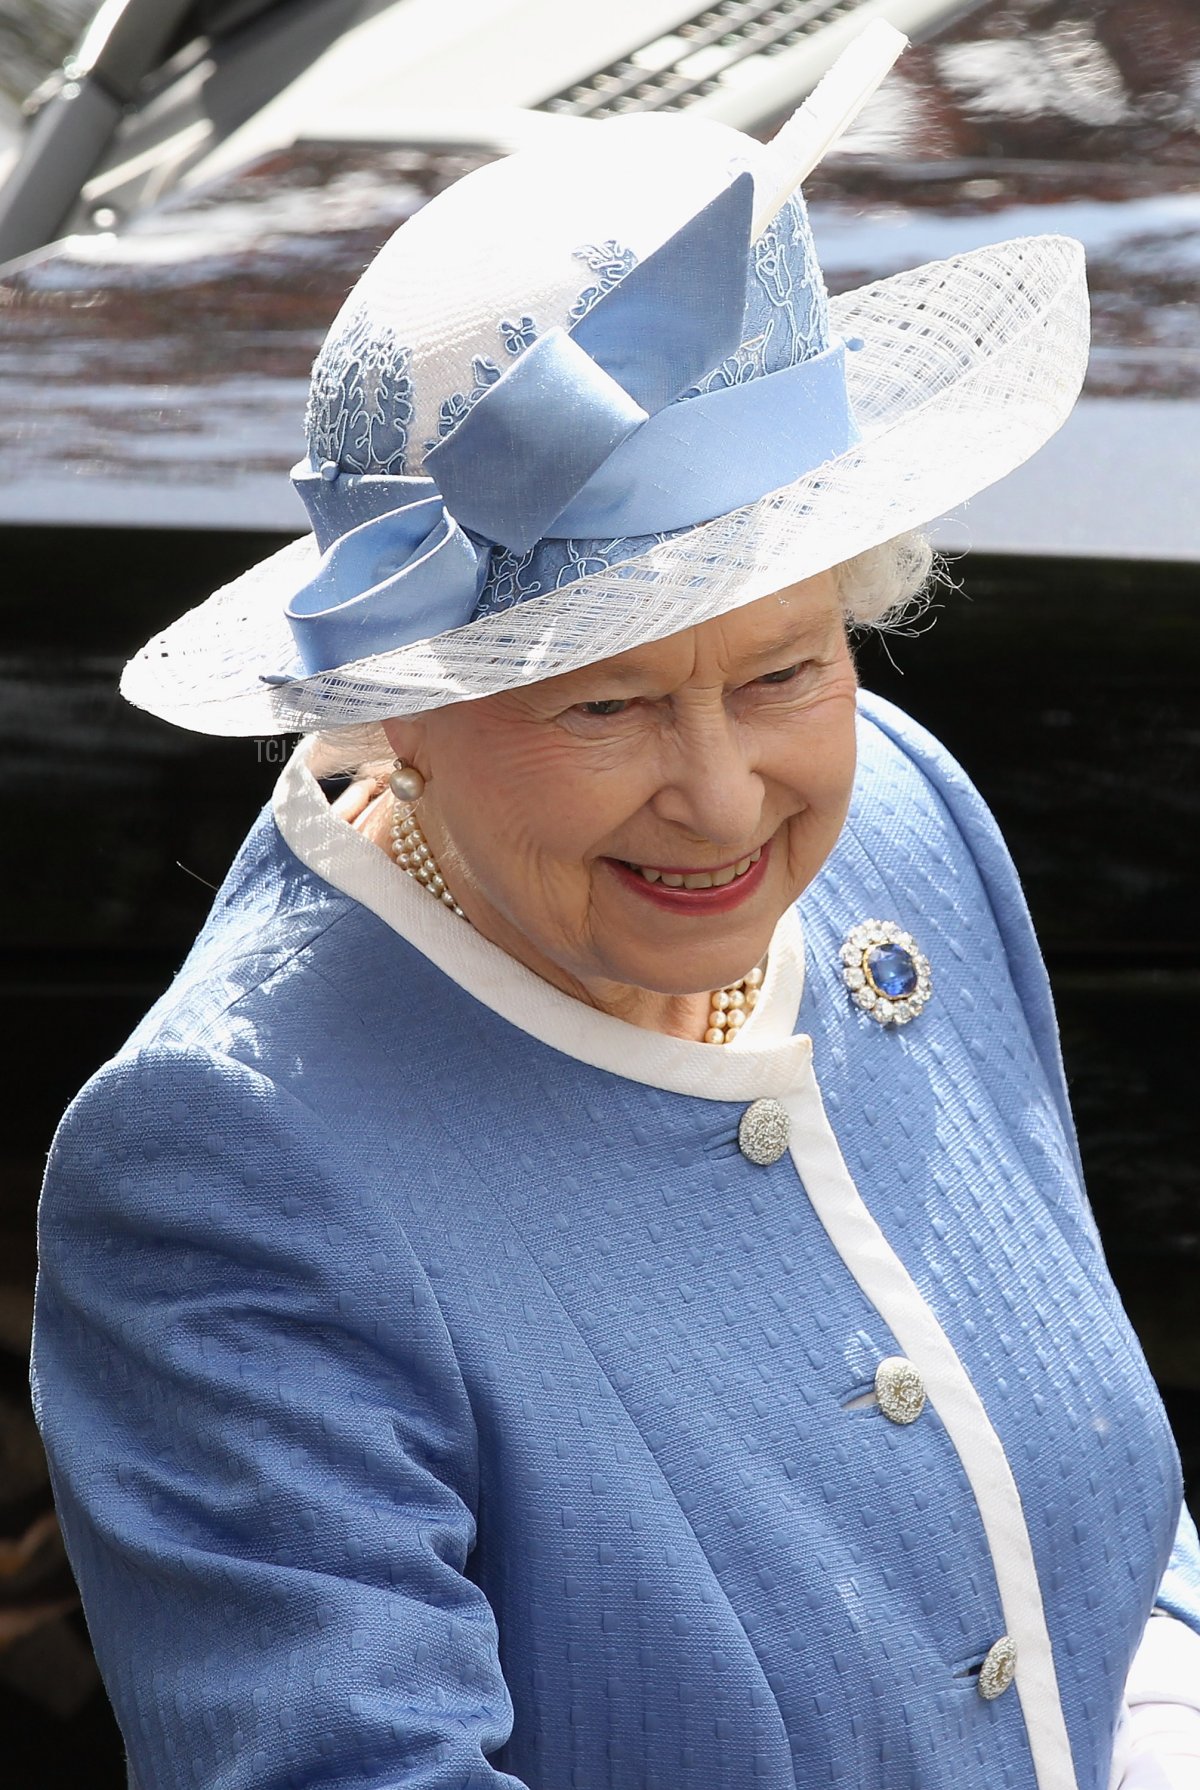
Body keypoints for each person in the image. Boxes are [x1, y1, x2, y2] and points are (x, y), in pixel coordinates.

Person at [31, 25, 1200, 1790]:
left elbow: (1104, 1520)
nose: (728, 797)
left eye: (787, 669)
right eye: (605, 702)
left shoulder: (905, 818)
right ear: (403, 709)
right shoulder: (227, 1168)